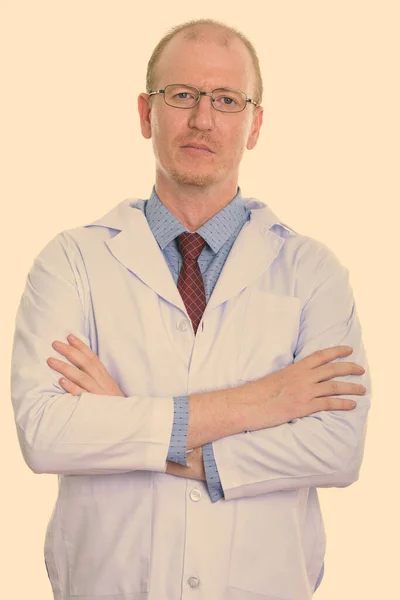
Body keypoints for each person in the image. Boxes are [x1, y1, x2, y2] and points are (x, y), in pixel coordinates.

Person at [10, 18, 371, 600]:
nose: (203, 119)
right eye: (182, 96)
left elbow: (338, 448)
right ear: (145, 113)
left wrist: (128, 423)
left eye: (227, 100)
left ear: (255, 125)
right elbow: (46, 432)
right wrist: (265, 400)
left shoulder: (312, 271)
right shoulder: (71, 261)